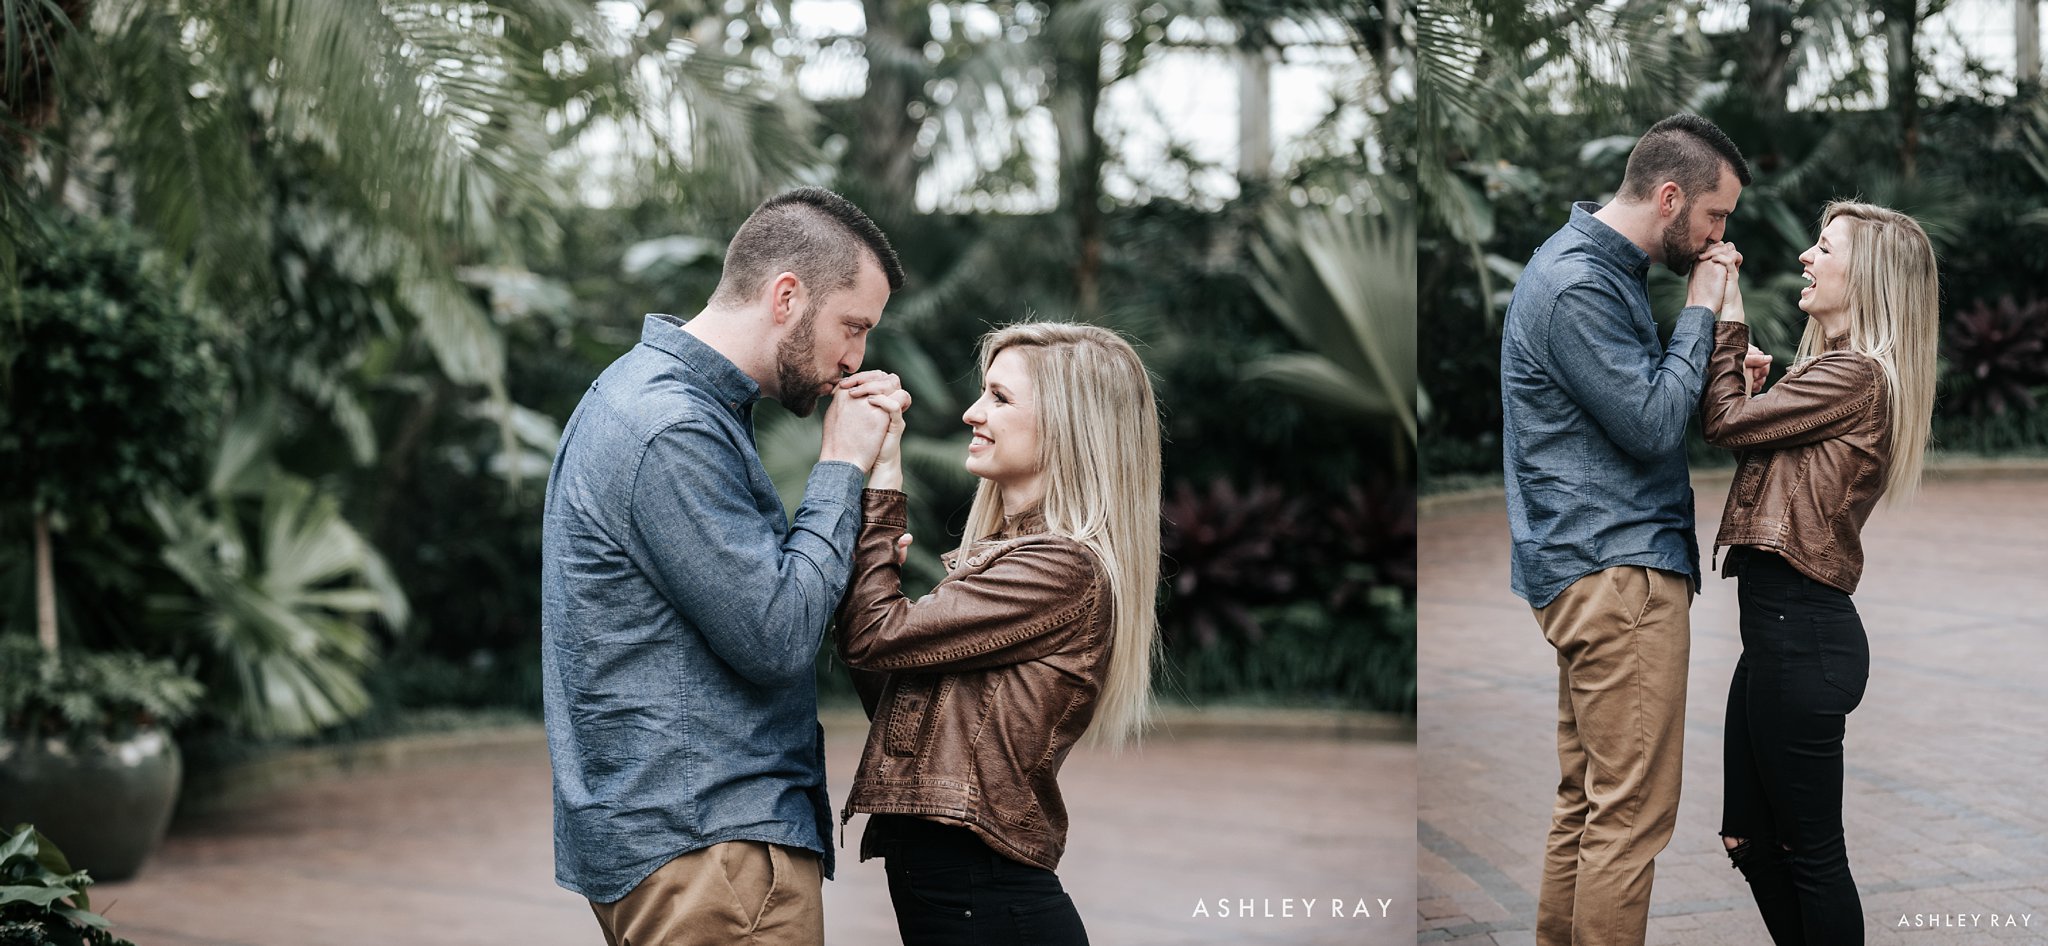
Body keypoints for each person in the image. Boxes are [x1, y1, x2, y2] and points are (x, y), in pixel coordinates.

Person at [539, 187, 915, 946]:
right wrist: (842, 466)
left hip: (681, 844)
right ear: (786, 296)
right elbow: (774, 636)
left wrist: (842, 549)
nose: (856, 358)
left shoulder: (636, 396)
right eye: (853, 326)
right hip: (714, 853)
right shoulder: (673, 428)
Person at [1499, 113, 1753, 946]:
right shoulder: (1577, 282)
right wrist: (1703, 311)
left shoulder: (1589, 270)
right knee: (1632, 817)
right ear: (1671, 196)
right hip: (1618, 575)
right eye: (1716, 216)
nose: (1721, 236)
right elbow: (1650, 423)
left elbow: (1636, 403)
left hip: (1594, 570)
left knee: (1591, 804)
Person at [830, 322, 1161, 945]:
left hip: (990, 903)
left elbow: (873, 634)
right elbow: (898, 707)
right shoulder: (1011, 562)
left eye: (1000, 398)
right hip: (963, 899)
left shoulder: (1062, 568)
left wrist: (879, 491)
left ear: (1068, 424)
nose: (971, 412)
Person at [1702, 202, 1938, 946]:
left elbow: (1721, 424)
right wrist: (1752, 387)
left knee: (1812, 854)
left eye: (1824, 247)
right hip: (1780, 635)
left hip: (1802, 633)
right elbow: (1760, 457)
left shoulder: (1856, 374)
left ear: (1864, 274)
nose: (1806, 256)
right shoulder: (1834, 374)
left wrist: (1725, 313)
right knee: (1748, 836)